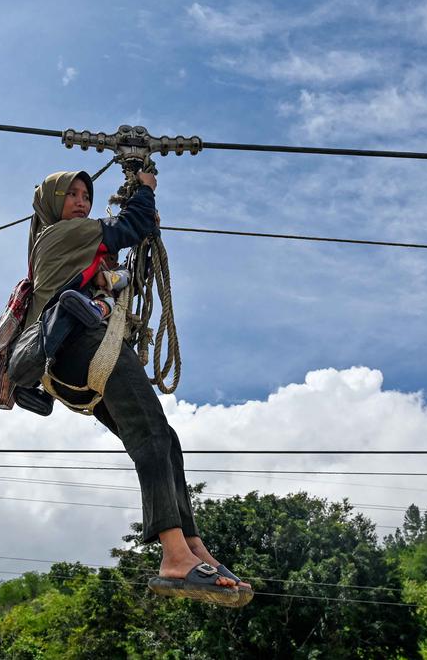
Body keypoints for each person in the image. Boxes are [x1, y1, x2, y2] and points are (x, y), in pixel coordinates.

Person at [19, 168, 253, 606]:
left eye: (86, 195)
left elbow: (112, 262)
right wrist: (144, 187)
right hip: (84, 343)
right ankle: (174, 557)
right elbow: (130, 226)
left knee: (164, 439)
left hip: (69, 357)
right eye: (70, 194)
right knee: (150, 432)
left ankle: (191, 545)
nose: (81, 201)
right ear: (52, 202)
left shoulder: (70, 245)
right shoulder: (66, 233)